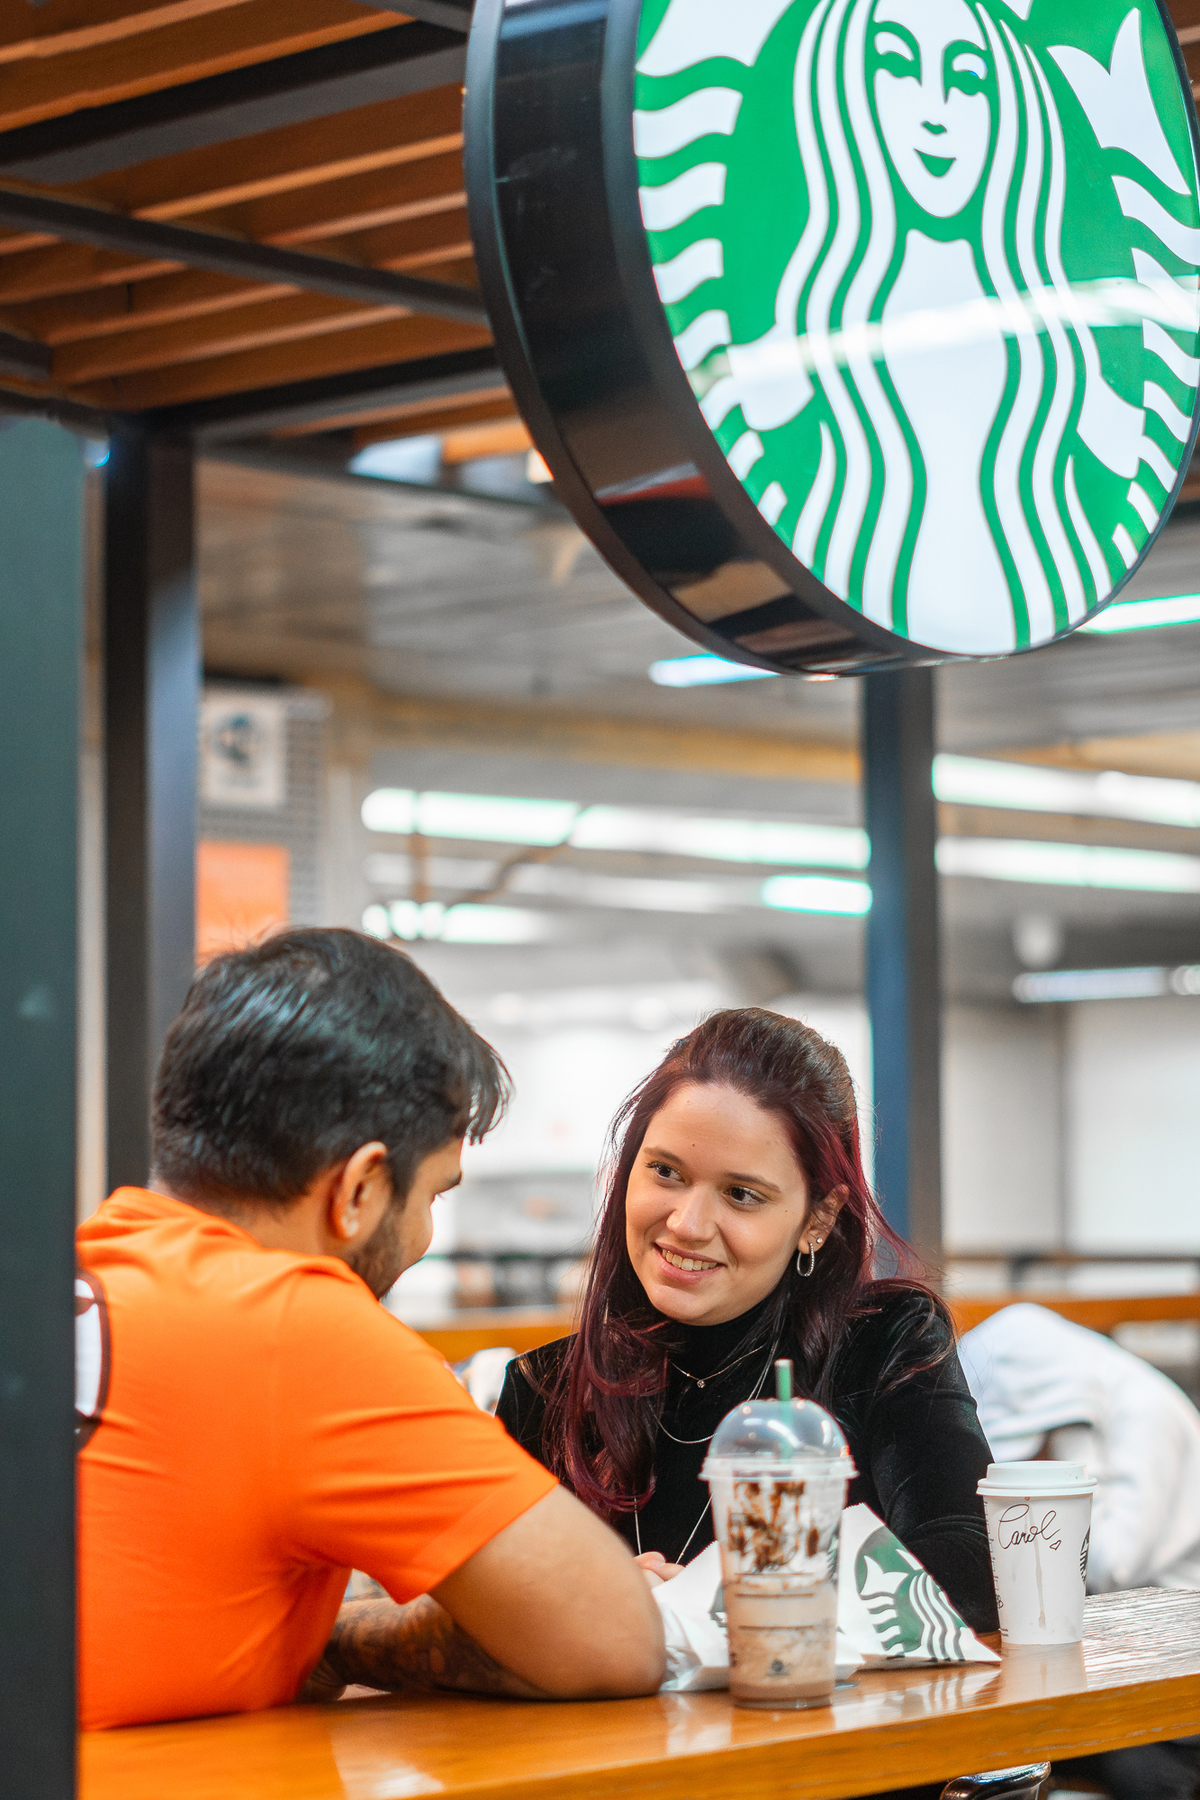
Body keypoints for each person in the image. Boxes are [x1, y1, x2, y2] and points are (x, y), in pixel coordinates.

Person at [77, 929, 664, 1730]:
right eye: (432, 1196)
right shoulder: (293, 1325)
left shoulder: (74, 1277)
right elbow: (617, 1637)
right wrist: (347, 1634)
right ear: (357, 1190)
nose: (423, 1237)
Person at [496, 1008, 998, 1631]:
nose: (687, 1224)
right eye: (665, 1172)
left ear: (817, 1219)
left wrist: (729, 1604)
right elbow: (487, 1598)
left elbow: (976, 1562)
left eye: (741, 1195)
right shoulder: (545, 1389)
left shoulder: (886, 1341)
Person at [961, 1302, 1200, 1800]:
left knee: (1129, 1765)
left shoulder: (1143, 1408)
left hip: (1168, 1651)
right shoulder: (1080, 1401)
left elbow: (1114, 1565)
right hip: (1105, 1649)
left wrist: (1066, 1470)